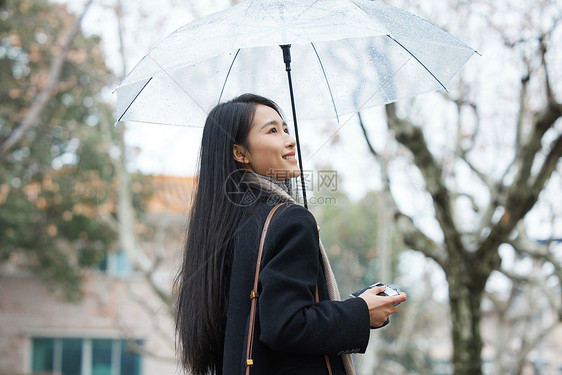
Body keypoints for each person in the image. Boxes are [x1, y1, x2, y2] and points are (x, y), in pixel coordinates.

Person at [175, 93, 407, 375]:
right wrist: (360, 312)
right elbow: (285, 326)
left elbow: (261, 321)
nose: (290, 139)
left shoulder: (223, 225)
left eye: (285, 128)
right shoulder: (288, 220)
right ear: (240, 153)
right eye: (272, 130)